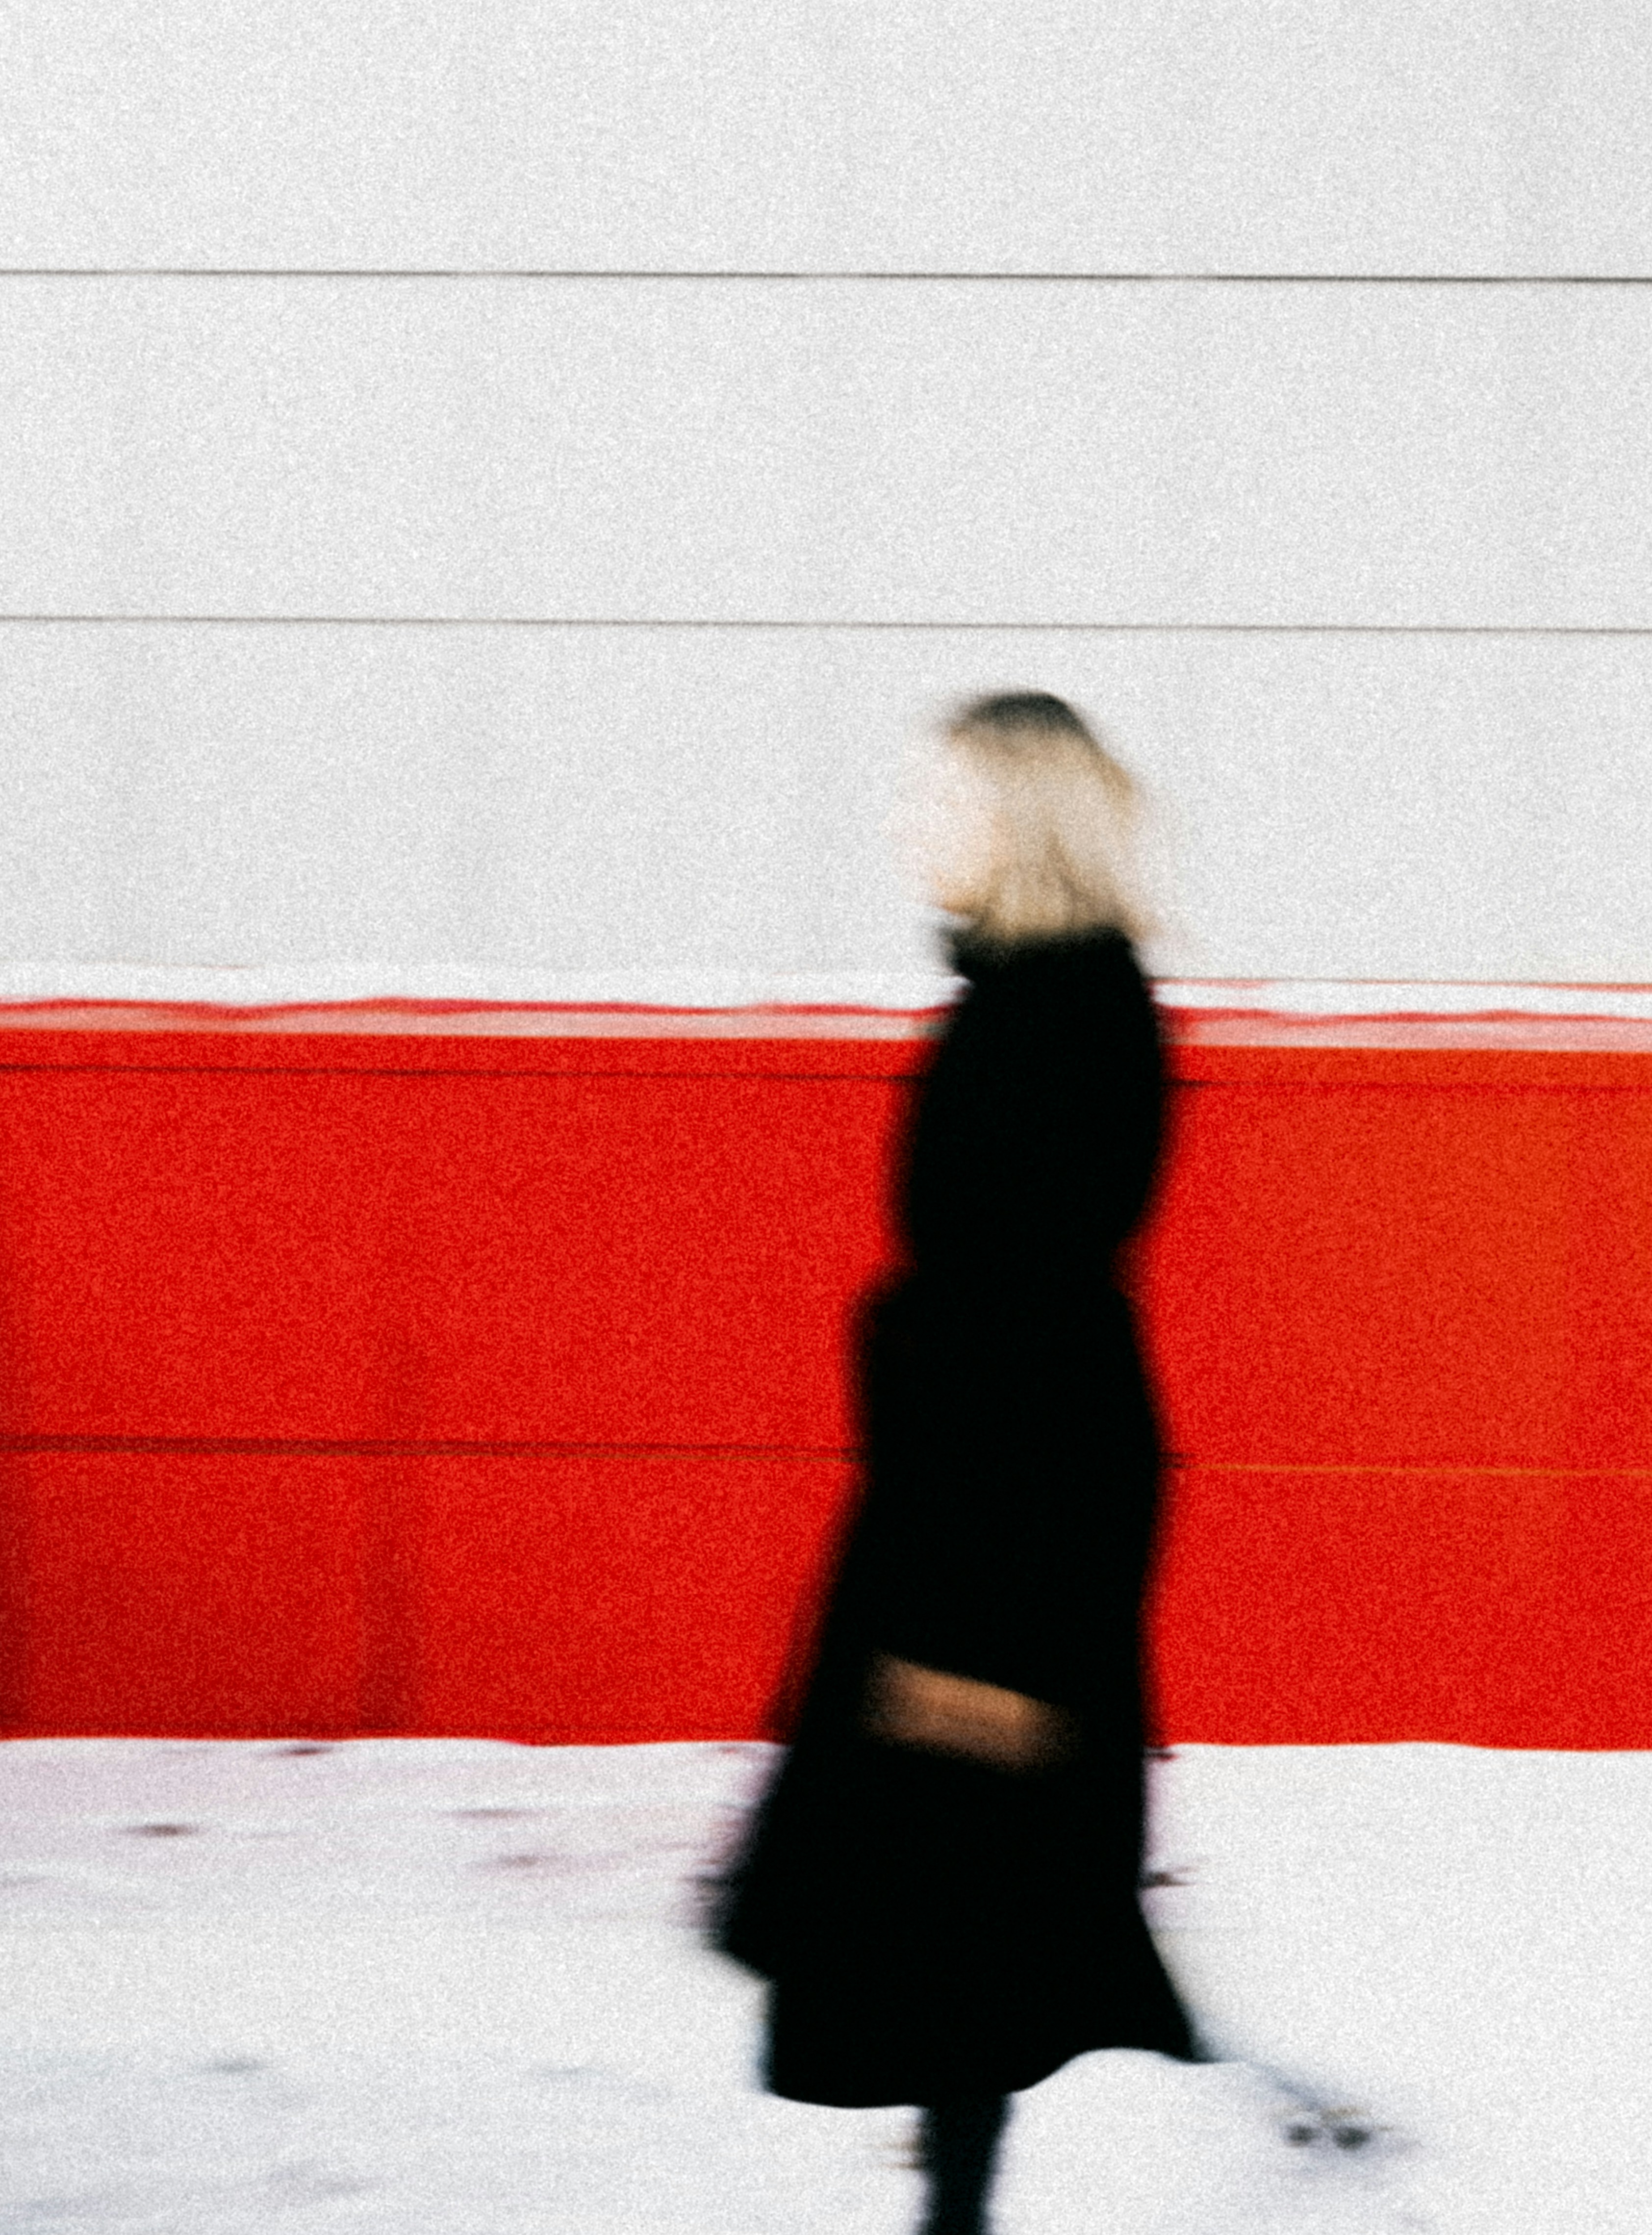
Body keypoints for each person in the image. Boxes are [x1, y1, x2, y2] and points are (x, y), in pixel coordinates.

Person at [705, 689, 1200, 2235]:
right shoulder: (1048, 1001)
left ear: (1020, 820)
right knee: (955, 1890)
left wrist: (978, 1628)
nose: (907, 825)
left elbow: (1020, 1318)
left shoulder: (1044, 1025)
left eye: (941, 799)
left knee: (942, 1886)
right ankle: (953, 2189)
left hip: (997, 1506)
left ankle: (956, 2204)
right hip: (987, 1485)